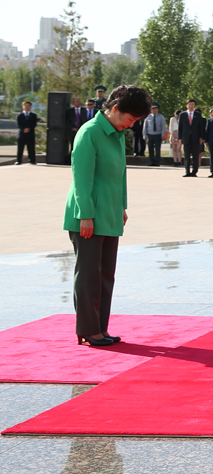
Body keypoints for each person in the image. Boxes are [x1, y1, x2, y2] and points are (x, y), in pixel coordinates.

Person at [64, 84, 150, 346]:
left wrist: (121, 206)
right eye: (130, 119)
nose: (131, 125)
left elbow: (120, 174)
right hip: (88, 216)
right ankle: (88, 330)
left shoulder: (116, 134)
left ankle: (100, 328)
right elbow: (81, 179)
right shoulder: (89, 132)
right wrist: (85, 215)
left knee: (105, 276)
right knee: (89, 275)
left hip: (109, 213)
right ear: (115, 109)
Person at [178, 99, 205, 177]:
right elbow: (180, 127)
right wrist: (180, 138)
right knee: (187, 155)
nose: (191, 106)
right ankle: (187, 171)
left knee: (195, 155)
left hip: (195, 138)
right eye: (189, 104)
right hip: (186, 138)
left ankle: (194, 172)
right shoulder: (182, 115)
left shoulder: (198, 115)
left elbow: (201, 127)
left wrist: (201, 137)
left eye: (193, 104)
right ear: (186, 105)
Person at [16, 100, 38, 165]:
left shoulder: (33, 115)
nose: (27, 107)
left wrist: (29, 129)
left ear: (30, 107)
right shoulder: (19, 115)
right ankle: (19, 160)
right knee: (20, 148)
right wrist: (23, 129)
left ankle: (32, 160)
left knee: (31, 148)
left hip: (30, 134)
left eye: (28, 106)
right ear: (23, 107)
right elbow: (18, 124)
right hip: (22, 134)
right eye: (25, 106)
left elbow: (34, 124)